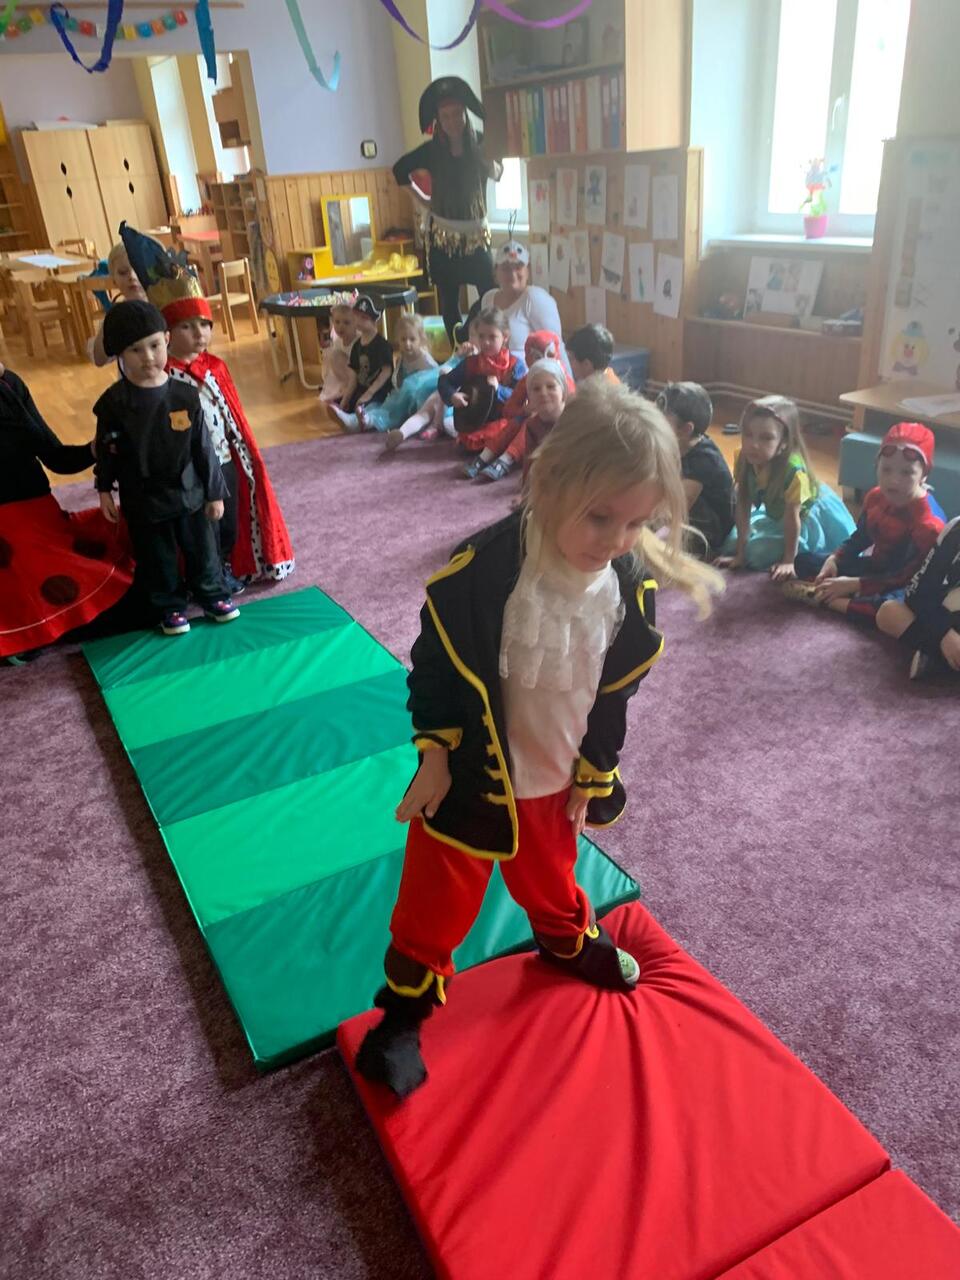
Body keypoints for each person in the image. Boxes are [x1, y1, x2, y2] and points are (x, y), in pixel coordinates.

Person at [354, 379, 722, 1098]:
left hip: (554, 778)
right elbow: (435, 668)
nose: (616, 541)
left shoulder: (626, 589)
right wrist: (434, 755)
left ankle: (565, 942)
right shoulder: (483, 575)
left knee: (551, 879)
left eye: (636, 523)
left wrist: (596, 769)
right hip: (472, 778)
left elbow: (613, 694)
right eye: (600, 517)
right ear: (549, 482)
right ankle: (402, 1014)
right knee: (434, 904)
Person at [93, 300, 238, 637]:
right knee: (157, 555)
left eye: (154, 345)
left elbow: (204, 448)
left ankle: (213, 595)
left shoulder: (185, 395)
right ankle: (170, 605)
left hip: (190, 492)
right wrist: (104, 490)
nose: (147, 357)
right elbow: (107, 449)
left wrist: (215, 493)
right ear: (120, 355)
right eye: (135, 350)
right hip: (143, 497)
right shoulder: (113, 404)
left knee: (203, 548)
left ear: (167, 340)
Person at [162, 280, 295, 590]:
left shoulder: (215, 367)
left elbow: (232, 415)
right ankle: (203, 575)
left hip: (223, 459)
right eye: (186, 326)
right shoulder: (164, 374)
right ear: (167, 332)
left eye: (204, 324)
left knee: (229, 519)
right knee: (200, 524)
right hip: (190, 467)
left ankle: (224, 566)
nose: (199, 334)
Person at [0, 362, 136, 662]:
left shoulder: (10, 383)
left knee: (127, 547)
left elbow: (54, 456)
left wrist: (95, 449)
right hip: (7, 528)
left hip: (40, 512)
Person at [785, 422, 943, 623]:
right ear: (877, 466)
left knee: (893, 609)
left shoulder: (929, 525)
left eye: (906, 473)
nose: (893, 480)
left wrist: (855, 584)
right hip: (876, 567)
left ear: (924, 475)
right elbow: (860, 538)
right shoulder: (876, 497)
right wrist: (835, 559)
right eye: (886, 469)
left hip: (906, 582)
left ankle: (829, 600)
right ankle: (846, 595)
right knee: (804, 561)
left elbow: (905, 576)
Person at [393, 76, 502, 343]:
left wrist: (487, 161)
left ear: (465, 114)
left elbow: (498, 173)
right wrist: (423, 200)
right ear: (438, 120)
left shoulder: (481, 142)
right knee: (449, 298)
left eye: (457, 114)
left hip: (477, 235)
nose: (452, 121)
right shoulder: (431, 151)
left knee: (490, 293)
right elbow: (399, 171)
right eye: (446, 116)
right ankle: (457, 348)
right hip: (443, 237)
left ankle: (471, 337)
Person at [716, 395, 854, 579]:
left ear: (784, 443)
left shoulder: (793, 473)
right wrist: (740, 554)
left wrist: (789, 560)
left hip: (804, 515)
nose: (753, 445)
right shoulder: (743, 458)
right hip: (776, 512)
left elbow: (792, 518)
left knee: (758, 555)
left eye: (766, 438)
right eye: (748, 435)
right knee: (731, 545)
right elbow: (743, 503)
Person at [463, 332, 572, 483]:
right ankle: (485, 456)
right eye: (537, 357)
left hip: (558, 432)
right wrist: (525, 410)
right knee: (517, 422)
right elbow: (508, 409)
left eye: (551, 387)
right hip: (533, 430)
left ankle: (506, 459)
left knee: (529, 422)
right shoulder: (527, 380)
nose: (543, 393)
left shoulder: (564, 378)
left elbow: (576, 408)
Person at [437, 306, 526, 468]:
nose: (486, 342)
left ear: (505, 336)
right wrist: (452, 395)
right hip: (475, 420)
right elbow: (445, 382)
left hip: (505, 420)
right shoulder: (471, 363)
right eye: (481, 336)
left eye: (492, 337)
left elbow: (522, 398)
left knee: (512, 429)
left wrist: (499, 389)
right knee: (465, 436)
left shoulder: (515, 365)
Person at [657, 381, 734, 559]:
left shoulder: (704, 460)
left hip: (711, 529)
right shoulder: (678, 443)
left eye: (661, 422)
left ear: (686, 429)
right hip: (685, 515)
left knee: (650, 546)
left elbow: (676, 509)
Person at [877, 516, 960, 679]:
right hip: (947, 615)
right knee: (888, 612)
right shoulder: (955, 530)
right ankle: (943, 655)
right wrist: (945, 634)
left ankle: (935, 658)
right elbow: (917, 593)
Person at [333, 313, 439, 435]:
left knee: (394, 409)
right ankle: (358, 419)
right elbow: (399, 381)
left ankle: (368, 421)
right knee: (384, 405)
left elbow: (435, 382)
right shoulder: (401, 358)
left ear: (421, 339)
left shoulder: (425, 360)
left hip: (418, 403)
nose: (407, 344)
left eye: (412, 339)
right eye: (403, 339)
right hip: (403, 398)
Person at [480, 239, 571, 373]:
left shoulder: (535, 298)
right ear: (496, 272)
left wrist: (568, 383)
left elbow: (556, 346)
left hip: (528, 380)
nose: (512, 274)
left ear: (527, 271)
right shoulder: (488, 299)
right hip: (491, 375)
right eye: (506, 268)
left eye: (518, 267)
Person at [333, 295, 395, 423]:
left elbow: (386, 372)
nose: (358, 321)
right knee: (341, 402)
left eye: (364, 318)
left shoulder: (382, 345)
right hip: (361, 390)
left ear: (375, 321)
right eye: (356, 316)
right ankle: (349, 415)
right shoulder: (357, 345)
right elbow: (353, 376)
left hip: (378, 393)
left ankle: (357, 421)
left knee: (370, 407)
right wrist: (346, 399)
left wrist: (369, 393)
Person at [88, 241, 149, 367]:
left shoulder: (165, 305)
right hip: (132, 377)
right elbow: (99, 359)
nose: (132, 276)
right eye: (123, 272)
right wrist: (111, 320)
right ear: (113, 280)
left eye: (138, 269)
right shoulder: (117, 314)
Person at [319, 294, 359, 408]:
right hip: (344, 377)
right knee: (333, 355)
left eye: (346, 323)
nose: (341, 327)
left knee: (337, 356)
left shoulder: (359, 340)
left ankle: (351, 391)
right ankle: (344, 389)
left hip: (358, 375)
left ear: (355, 323)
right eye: (337, 322)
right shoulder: (338, 341)